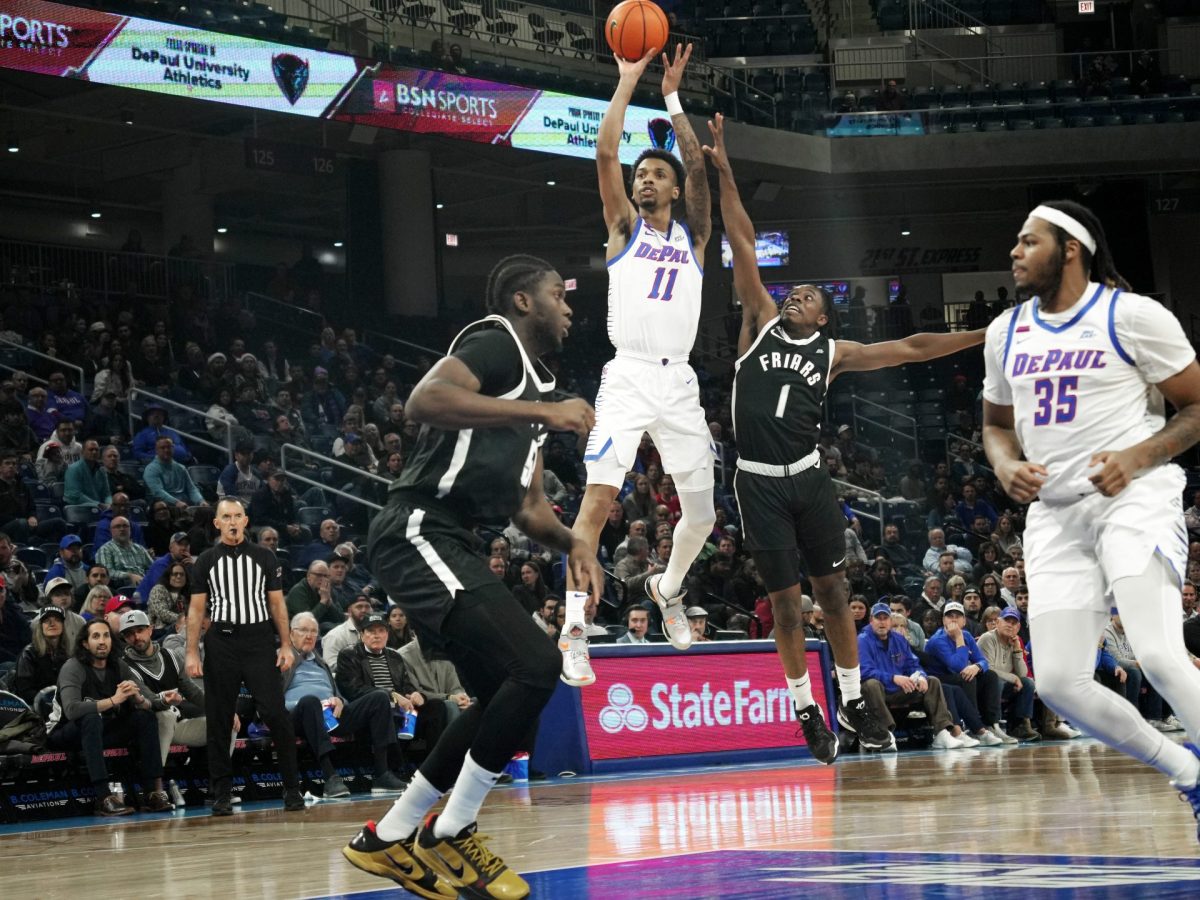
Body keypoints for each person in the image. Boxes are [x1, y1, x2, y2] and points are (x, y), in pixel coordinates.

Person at [704, 111, 985, 760]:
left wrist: (981, 333)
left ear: (825, 315)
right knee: (784, 601)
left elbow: (913, 346)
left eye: (807, 295)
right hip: (758, 484)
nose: (796, 296)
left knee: (834, 591)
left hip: (808, 477)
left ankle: (855, 694)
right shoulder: (760, 321)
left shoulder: (835, 352)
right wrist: (724, 171)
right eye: (795, 292)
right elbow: (741, 237)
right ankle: (807, 709)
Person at [341, 254, 603, 900]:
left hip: (449, 539)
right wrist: (541, 415)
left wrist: (576, 544)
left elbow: (528, 509)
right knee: (539, 664)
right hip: (417, 529)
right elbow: (423, 400)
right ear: (522, 301)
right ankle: (451, 829)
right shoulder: (496, 342)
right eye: (556, 293)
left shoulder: (535, 387)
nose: (569, 306)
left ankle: (392, 835)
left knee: (503, 697)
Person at [983, 199, 1200, 838]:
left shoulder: (1131, 316)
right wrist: (1002, 466)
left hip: (1135, 497)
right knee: (1057, 681)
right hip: (1055, 514)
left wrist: (1138, 455)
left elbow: (1194, 407)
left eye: (1028, 241)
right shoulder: (1005, 330)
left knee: (1159, 655)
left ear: (1070, 249)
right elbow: (996, 426)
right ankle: (1187, 774)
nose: (1015, 252)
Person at [563, 43, 713, 688]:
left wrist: (674, 99)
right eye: (640, 174)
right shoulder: (624, 228)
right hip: (625, 377)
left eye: (656, 174)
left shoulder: (694, 237)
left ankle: (669, 588)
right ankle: (573, 629)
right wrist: (626, 83)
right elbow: (604, 155)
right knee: (597, 503)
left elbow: (702, 175)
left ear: (675, 188)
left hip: (679, 380)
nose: (644, 180)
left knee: (702, 516)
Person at [184, 498, 304, 816]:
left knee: (275, 713)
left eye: (238, 515)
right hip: (221, 642)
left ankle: (292, 788)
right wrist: (192, 651)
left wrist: (286, 645)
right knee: (220, 719)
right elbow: (196, 610)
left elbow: (277, 604)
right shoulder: (206, 561)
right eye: (227, 516)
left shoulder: (264, 556)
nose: (233, 521)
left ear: (246, 520)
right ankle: (221, 793)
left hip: (258, 639)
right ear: (217, 523)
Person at [47, 620, 172, 815]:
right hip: (64, 732)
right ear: (85, 643)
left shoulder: (118, 666)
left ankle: (151, 792)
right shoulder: (73, 666)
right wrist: (113, 700)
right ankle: (103, 796)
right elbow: (71, 710)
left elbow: (150, 700)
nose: (102, 641)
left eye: (106, 635)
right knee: (91, 717)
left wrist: (144, 698)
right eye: (96, 636)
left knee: (144, 717)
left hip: (100, 731)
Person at [284, 611, 407, 797]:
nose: (309, 635)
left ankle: (382, 773)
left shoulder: (320, 662)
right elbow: (273, 697)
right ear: (291, 633)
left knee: (380, 697)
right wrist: (313, 704)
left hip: (330, 715)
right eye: (303, 631)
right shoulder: (280, 658)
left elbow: (338, 692)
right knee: (310, 702)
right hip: (297, 716)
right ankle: (330, 777)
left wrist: (339, 701)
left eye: (313, 631)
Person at [336, 610, 446, 790]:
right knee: (381, 700)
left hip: (397, 707)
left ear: (387, 634)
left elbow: (406, 685)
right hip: (367, 708)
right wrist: (391, 694)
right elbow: (353, 690)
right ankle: (383, 773)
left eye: (381, 631)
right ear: (362, 635)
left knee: (437, 707)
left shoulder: (394, 656)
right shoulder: (349, 654)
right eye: (371, 631)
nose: (376, 635)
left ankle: (432, 770)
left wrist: (415, 694)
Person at [858, 601, 965, 751]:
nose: (882, 622)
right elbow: (864, 671)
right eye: (878, 618)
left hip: (901, 689)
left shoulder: (899, 639)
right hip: (880, 691)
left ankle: (941, 733)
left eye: (885, 618)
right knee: (870, 684)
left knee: (932, 681)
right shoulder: (862, 640)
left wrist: (920, 676)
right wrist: (893, 678)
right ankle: (885, 734)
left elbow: (913, 664)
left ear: (890, 621)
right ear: (871, 621)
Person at [120, 608, 214, 765]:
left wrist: (221, 711)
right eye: (129, 634)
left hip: (178, 725)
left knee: (227, 723)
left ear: (150, 630)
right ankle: (155, 785)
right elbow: (148, 699)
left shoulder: (170, 655)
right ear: (124, 638)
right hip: (146, 730)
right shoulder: (124, 665)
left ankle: (216, 783)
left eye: (140, 630)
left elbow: (193, 693)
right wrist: (165, 701)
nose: (136, 637)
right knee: (165, 716)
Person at [977, 606, 1041, 741]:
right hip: (983, 685)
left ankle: (1020, 726)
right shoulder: (987, 638)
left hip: (1005, 684)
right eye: (1007, 621)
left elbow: (1023, 674)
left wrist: (1017, 650)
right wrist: (1013, 677)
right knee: (995, 680)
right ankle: (993, 725)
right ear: (998, 622)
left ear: (1018, 628)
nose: (1009, 625)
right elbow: (988, 668)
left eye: (1013, 623)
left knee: (1028, 683)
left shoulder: (1014, 642)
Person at [14, 605, 70, 706]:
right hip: (37, 707)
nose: (52, 623)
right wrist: (49, 702)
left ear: (63, 625)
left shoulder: (67, 654)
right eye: (47, 620)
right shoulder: (28, 654)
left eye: (57, 619)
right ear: (41, 626)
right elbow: (25, 691)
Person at [143, 436, 206, 511]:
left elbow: (191, 488)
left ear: (173, 448)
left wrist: (200, 501)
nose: (166, 450)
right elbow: (158, 492)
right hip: (164, 506)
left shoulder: (181, 468)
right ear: (156, 450)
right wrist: (176, 502)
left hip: (184, 504)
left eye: (169, 447)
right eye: (162, 448)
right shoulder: (151, 469)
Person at [95, 517, 155, 589]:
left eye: (125, 526)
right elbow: (106, 573)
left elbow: (153, 568)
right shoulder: (105, 550)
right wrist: (130, 576)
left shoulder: (140, 549)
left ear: (130, 529)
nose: (122, 529)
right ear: (111, 531)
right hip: (122, 589)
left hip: (145, 584)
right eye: (117, 526)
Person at [63, 439, 112, 507]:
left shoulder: (102, 470)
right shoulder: (73, 469)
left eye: (96, 449)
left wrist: (109, 504)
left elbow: (107, 494)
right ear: (82, 452)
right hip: (79, 509)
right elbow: (75, 496)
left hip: (100, 508)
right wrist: (98, 504)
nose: (94, 452)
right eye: (91, 450)